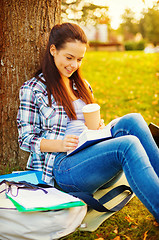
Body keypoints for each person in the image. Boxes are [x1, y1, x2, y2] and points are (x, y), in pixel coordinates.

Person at [17, 22, 159, 222]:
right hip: (64, 168)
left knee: (133, 120)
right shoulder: (33, 89)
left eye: (79, 59)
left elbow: (86, 126)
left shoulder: (82, 85)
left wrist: (99, 129)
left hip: (92, 160)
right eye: (69, 57)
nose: (74, 65)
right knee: (128, 146)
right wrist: (60, 144)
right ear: (53, 50)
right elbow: (25, 139)